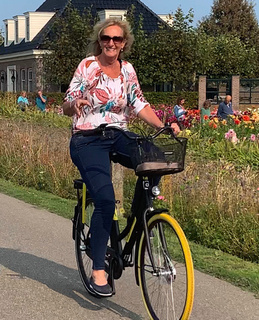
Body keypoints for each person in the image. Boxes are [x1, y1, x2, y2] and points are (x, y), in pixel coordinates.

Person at [62, 18, 179, 297]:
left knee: (156, 159)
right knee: (104, 199)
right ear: (99, 41)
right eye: (106, 38)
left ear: (124, 43)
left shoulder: (127, 70)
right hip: (88, 139)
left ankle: (144, 213)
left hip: (117, 135)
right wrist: (75, 103)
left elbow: (139, 103)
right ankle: (98, 270)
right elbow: (69, 102)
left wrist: (163, 126)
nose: (111, 43)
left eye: (116, 39)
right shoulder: (87, 66)